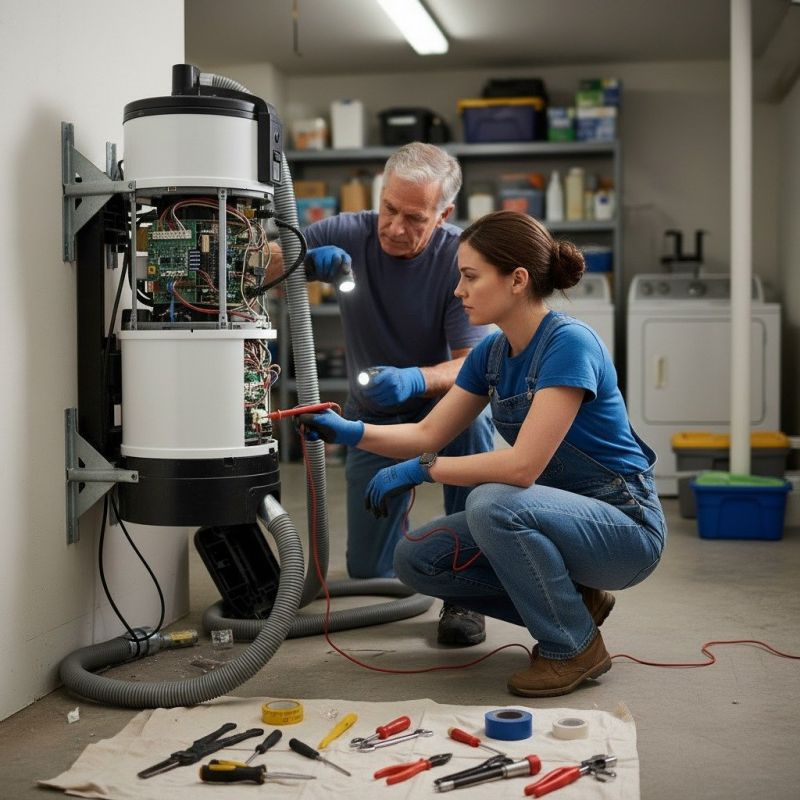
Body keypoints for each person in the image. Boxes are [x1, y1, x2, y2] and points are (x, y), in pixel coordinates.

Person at [299, 210, 668, 697]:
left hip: (624, 529)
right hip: (555, 519)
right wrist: (350, 432)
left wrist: (423, 470)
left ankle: (574, 647)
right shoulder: (491, 355)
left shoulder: (569, 344)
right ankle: (573, 606)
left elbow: (521, 467)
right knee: (419, 559)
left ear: (517, 280)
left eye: (470, 277)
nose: (458, 290)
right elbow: (428, 430)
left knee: (492, 502)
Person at [282, 142, 496, 646]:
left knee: (474, 429)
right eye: (389, 209)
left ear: (443, 213)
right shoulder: (345, 232)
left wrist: (417, 379)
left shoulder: (458, 258)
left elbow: (473, 362)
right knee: (368, 571)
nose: (396, 228)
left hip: (450, 406)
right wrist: (300, 263)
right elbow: (255, 269)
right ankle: (420, 560)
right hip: (376, 411)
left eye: (415, 218)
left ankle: (467, 591)